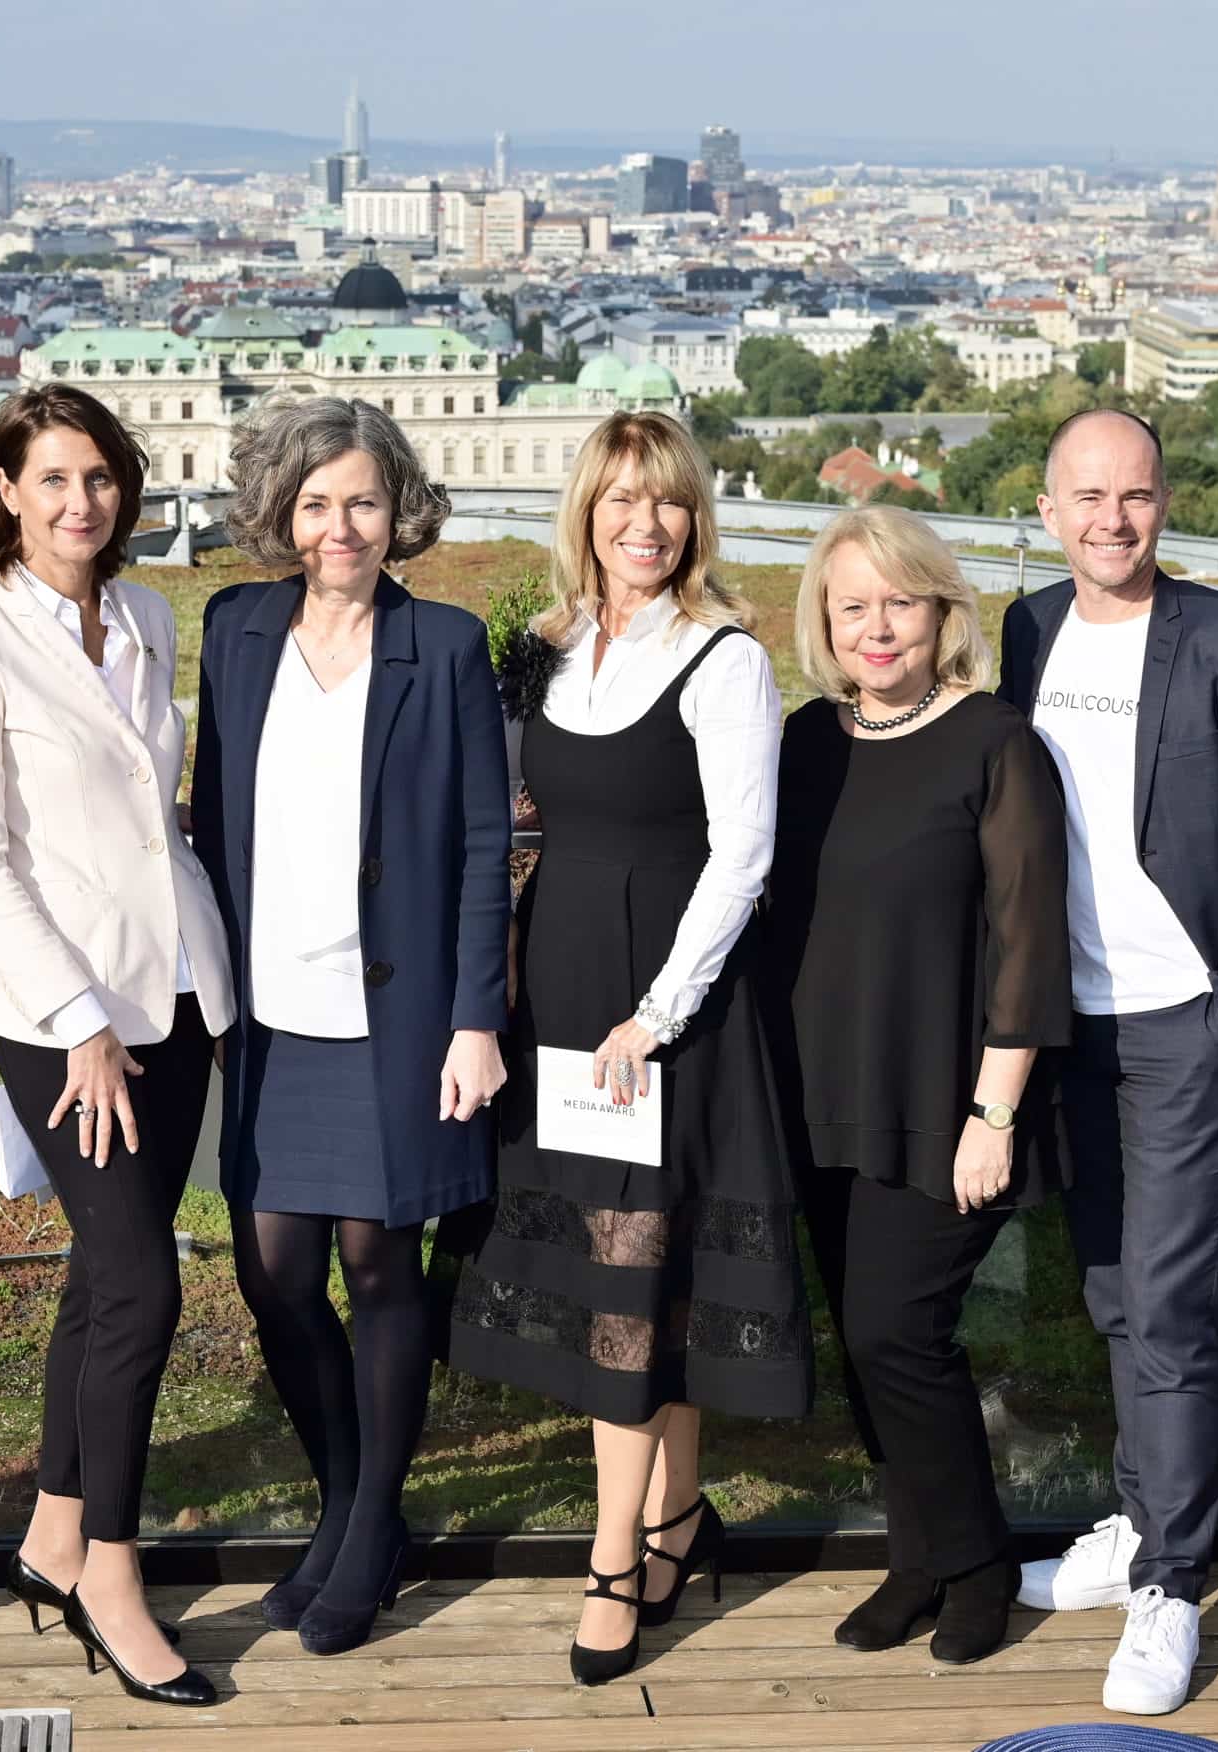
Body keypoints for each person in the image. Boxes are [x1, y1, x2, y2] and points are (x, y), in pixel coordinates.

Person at [447, 410, 813, 1687]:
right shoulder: (545, 650)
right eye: (619, 500)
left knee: (630, 1278)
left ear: (693, 517)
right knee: (645, 1274)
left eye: (665, 501)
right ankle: (676, 1515)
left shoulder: (723, 659)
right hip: (561, 994)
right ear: (586, 514)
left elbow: (743, 856)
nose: (642, 524)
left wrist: (655, 1016)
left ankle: (612, 1560)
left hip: (663, 1011)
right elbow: (516, 820)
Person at [996, 407, 1218, 1716]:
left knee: (1175, 1304)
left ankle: (1175, 1585)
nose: (1112, 519)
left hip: (1188, 1020)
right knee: (1113, 1294)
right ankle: (1141, 1523)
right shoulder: (1025, 632)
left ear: (1165, 503)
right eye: (1087, 497)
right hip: (1066, 1023)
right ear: (1048, 511)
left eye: (1134, 495)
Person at [0, 384, 231, 1709]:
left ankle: (50, 1537)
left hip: (180, 987)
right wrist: (82, 1023)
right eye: (51, 478)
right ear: (4, 491)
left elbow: (154, 815)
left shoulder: (147, 613)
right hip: (61, 1013)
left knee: (105, 1280)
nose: (79, 502)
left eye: (98, 477)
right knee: (144, 1290)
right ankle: (111, 1566)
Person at [192, 394, 511, 1658]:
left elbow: (482, 846)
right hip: (270, 1018)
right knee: (273, 1275)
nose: (341, 528)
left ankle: (370, 1532)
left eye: (364, 503)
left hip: (397, 1018)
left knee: (380, 1271)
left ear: (399, 512)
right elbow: (211, 817)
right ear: (281, 511)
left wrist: (474, 1020)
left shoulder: (444, 643)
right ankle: (346, 1504)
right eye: (317, 503)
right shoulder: (234, 628)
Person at [763, 507, 1071, 1667]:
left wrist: (994, 1114)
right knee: (865, 1341)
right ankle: (917, 1558)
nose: (877, 627)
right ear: (824, 622)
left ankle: (979, 1563)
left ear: (943, 613)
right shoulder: (803, 742)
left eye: (901, 601)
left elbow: (1028, 942)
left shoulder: (995, 743)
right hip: (821, 1091)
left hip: (946, 1100)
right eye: (853, 606)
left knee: (899, 1332)